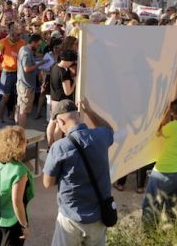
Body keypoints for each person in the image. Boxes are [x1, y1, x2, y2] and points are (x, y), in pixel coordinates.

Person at [43, 98, 114, 246]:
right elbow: (109, 130)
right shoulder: (101, 136)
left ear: (61, 122)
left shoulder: (60, 147)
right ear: (79, 116)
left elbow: (47, 183)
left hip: (71, 218)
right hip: (99, 216)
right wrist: (89, 110)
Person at [0, 126, 33, 246]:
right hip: (11, 221)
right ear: (18, 145)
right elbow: (16, 201)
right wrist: (24, 225)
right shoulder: (19, 170)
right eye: (25, 141)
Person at [141, 97, 177, 223]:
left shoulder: (175, 127)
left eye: (174, 113)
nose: (173, 115)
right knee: (174, 207)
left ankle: (149, 239)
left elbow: (160, 131)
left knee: (151, 206)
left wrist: (165, 113)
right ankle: (172, 236)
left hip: (165, 171)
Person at [0, 23, 26, 123]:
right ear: (12, 34)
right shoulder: (4, 41)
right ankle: (0, 117)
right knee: (5, 97)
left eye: (20, 34)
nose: (20, 36)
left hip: (18, 72)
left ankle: (12, 116)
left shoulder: (22, 42)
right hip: (7, 72)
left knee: (18, 96)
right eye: (18, 35)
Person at [15, 34, 46, 128]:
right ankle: (21, 133)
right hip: (26, 86)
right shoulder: (26, 52)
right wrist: (39, 64)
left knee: (19, 107)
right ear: (33, 42)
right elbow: (27, 68)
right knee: (23, 111)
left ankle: (18, 129)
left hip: (22, 83)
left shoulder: (23, 49)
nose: (38, 47)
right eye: (38, 45)